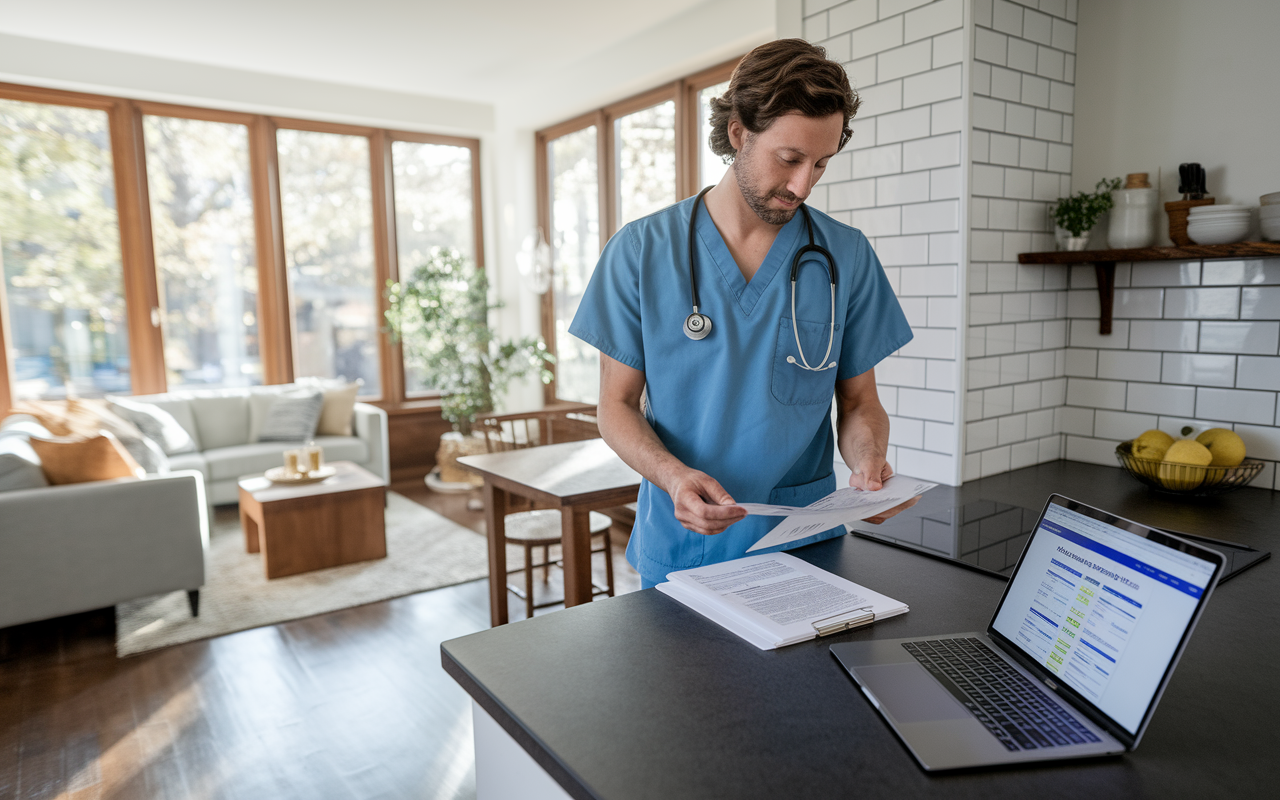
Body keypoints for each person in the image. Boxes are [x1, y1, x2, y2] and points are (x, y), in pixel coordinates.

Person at [568, 38, 918, 589]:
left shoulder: (845, 256)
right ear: (738, 133)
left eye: (821, 164)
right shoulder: (640, 251)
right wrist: (673, 476)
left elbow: (859, 404)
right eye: (790, 159)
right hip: (685, 548)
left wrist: (868, 466)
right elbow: (615, 407)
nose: (803, 185)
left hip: (804, 550)